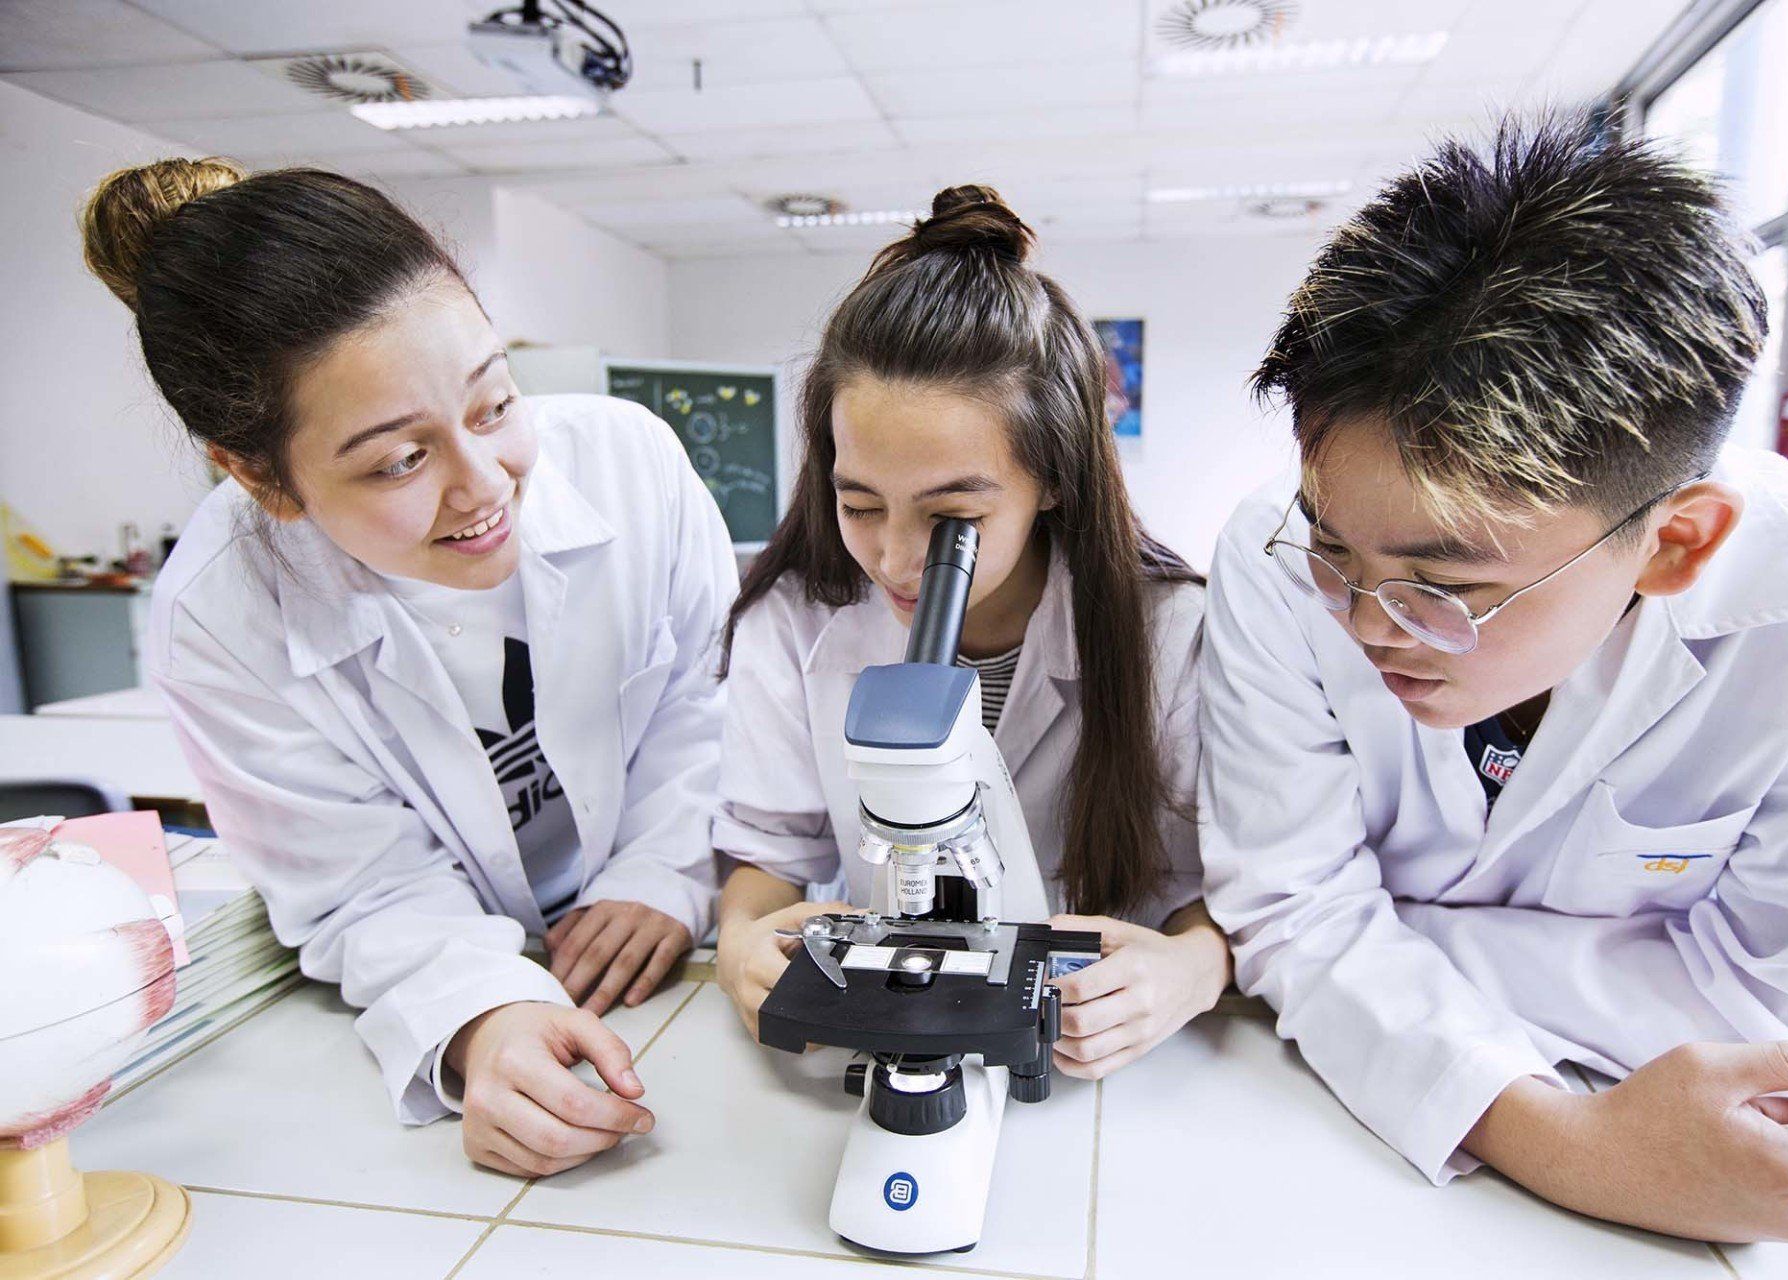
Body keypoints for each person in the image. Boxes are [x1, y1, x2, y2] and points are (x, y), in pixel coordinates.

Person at [1200, 118, 1788, 1242]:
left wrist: (1377, 937)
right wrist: (1570, 1143)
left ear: (1677, 541)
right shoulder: (1268, 553)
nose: (1370, 622)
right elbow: (1289, 903)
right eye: (1337, 552)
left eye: (1443, 584)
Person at [81, 158, 735, 1179]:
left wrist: (665, 868)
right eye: (399, 460)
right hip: (473, 961)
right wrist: (483, 1014)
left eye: (493, 404)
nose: (485, 489)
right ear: (257, 472)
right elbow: (357, 886)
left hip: (674, 947)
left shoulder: (630, 463)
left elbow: (706, 698)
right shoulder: (219, 613)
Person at [711, 186, 1230, 1081]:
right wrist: (741, 946)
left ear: (1055, 480)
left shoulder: (1167, 631)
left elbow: (1217, 897)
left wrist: (1192, 970)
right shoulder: (792, 621)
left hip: (1105, 1062)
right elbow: (768, 855)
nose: (897, 558)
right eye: (858, 503)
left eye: (952, 515)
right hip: (892, 1017)